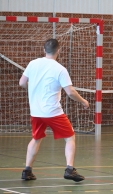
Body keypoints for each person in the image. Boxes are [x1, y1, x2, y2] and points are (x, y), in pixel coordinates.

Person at [19, 38, 89, 182]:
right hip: (52, 112)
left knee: (36, 138)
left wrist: (33, 90)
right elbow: (70, 92)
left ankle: (27, 171)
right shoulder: (60, 69)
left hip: (36, 112)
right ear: (59, 51)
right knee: (70, 137)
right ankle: (70, 169)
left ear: (44, 50)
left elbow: (22, 83)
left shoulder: (33, 63)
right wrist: (83, 101)